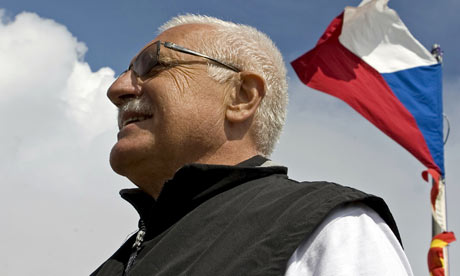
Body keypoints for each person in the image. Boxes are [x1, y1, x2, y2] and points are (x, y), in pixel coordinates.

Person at [92, 15, 413, 276]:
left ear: (241, 96)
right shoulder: (113, 265)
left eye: (152, 64)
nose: (117, 89)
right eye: (126, 73)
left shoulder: (327, 227)